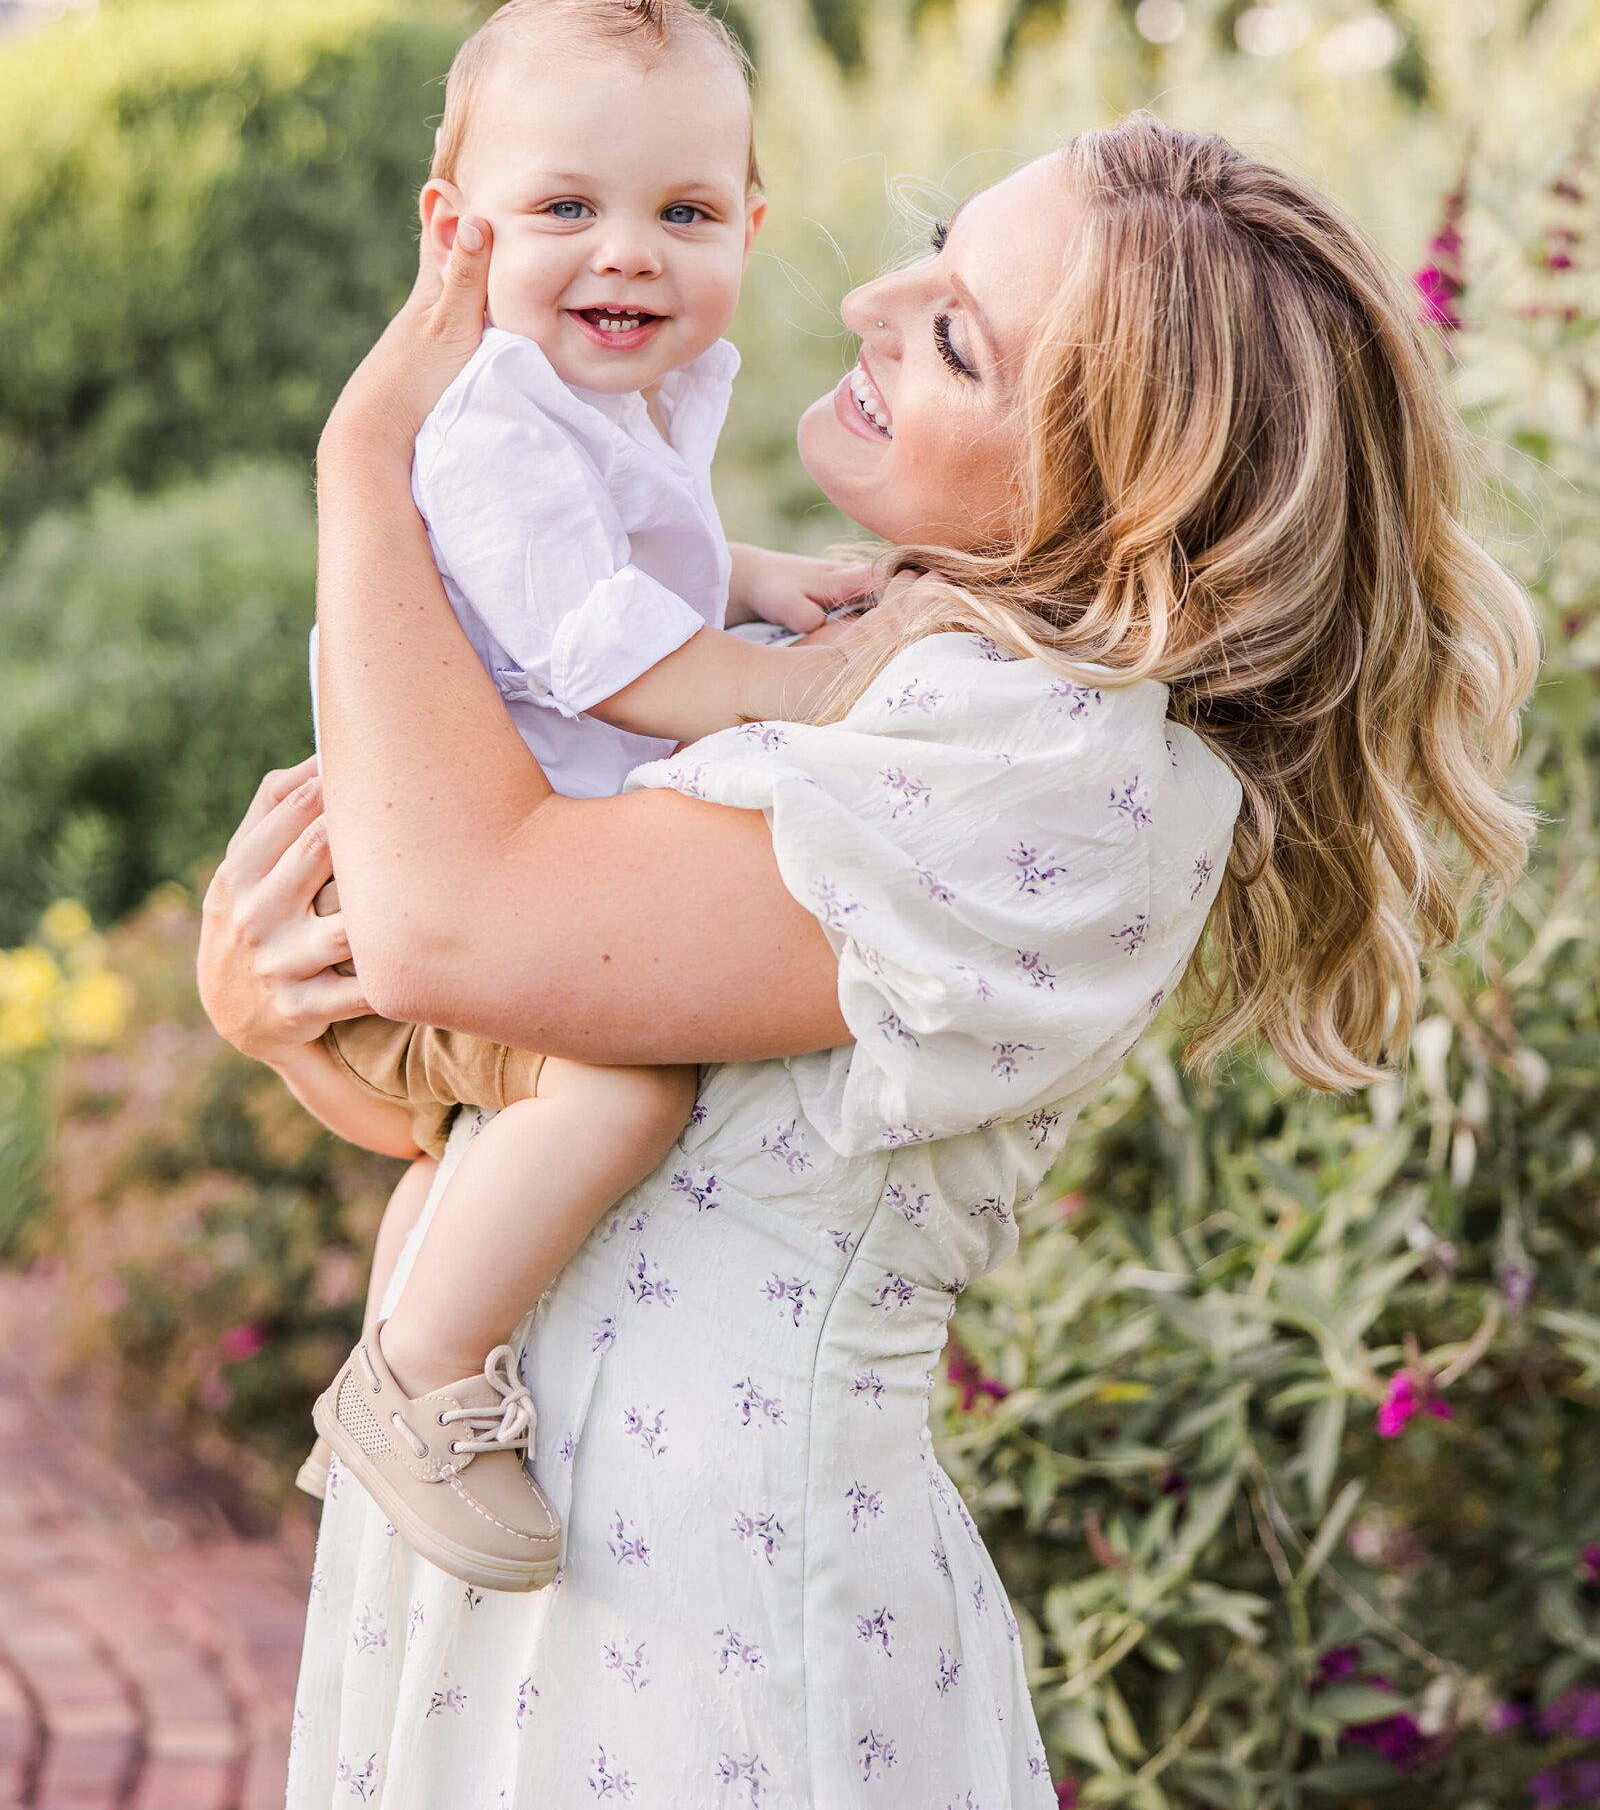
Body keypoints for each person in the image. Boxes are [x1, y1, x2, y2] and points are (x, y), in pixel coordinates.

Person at [200, 114, 1535, 1808]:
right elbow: (534, 1107)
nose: (867, 308)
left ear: (1112, 481)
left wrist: (364, 460)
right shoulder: (847, 656)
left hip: (700, 1632)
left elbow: (453, 921)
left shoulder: (1050, 761)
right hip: (525, 1554)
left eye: (958, 333)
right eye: (929, 247)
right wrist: (274, 1015)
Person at [284, 0, 869, 1583]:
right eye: (564, 205)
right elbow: (591, 645)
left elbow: (613, 556)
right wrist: (783, 688)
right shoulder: (489, 421)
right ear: (455, 234)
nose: (628, 249)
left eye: (684, 210)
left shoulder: (602, 402)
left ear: (750, 226)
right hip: (421, 861)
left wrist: (742, 573)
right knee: (616, 1081)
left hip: (475, 845)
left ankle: (403, 1347)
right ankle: (415, 1385)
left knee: (508, 1122)